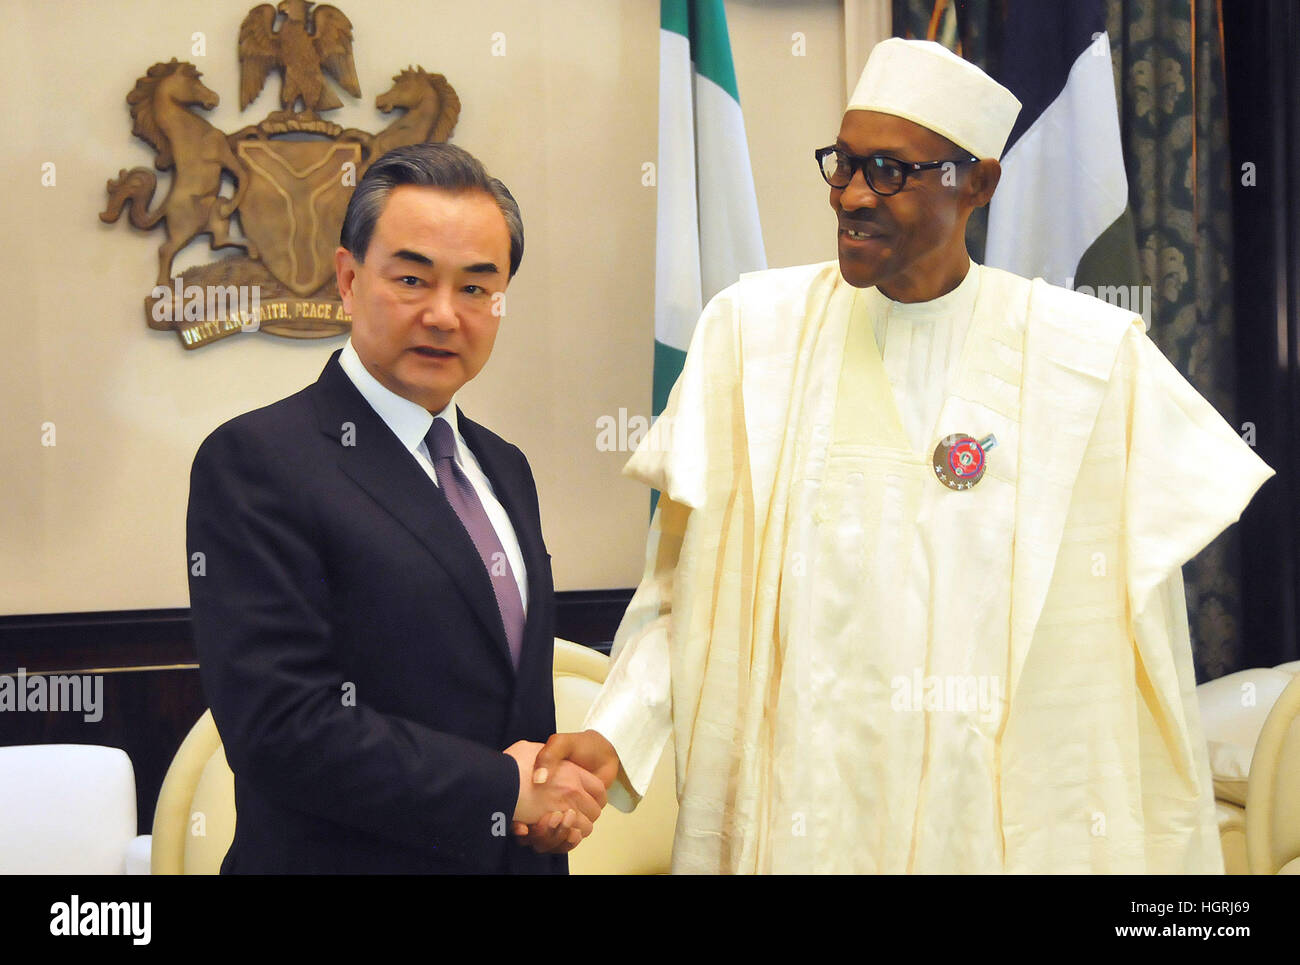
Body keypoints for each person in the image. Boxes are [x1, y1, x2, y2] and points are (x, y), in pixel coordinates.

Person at [525, 38, 1275, 872]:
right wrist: (616, 732)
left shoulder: (1086, 363)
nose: (850, 194)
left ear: (977, 185)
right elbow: (683, 595)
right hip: (802, 810)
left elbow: (1151, 650)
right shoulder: (751, 339)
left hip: (989, 826)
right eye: (841, 164)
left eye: (887, 170)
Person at [186, 142, 606, 874]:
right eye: (412, 279)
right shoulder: (257, 460)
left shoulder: (504, 467)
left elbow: (510, 708)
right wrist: (505, 788)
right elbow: (282, 727)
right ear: (348, 279)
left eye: (477, 288)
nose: (444, 314)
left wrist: (548, 799)